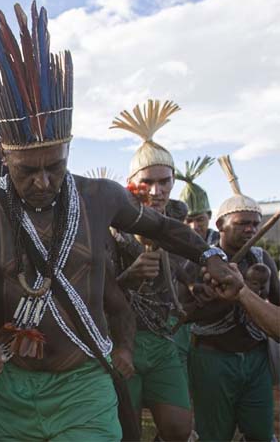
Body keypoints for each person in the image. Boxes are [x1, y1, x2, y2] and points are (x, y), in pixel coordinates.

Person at [0, 1, 239, 442]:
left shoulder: (99, 197)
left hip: (84, 382)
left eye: (54, 167)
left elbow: (161, 228)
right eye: (26, 171)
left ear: (69, 150)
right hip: (9, 386)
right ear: (5, 157)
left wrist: (208, 252)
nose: (41, 182)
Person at [110, 100, 195, 441]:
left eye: (165, 182)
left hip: (163, 339)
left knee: (178, 428)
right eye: (148, 182)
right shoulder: (111, 228)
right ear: (133, 183)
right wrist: (128, 277)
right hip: (122, 338)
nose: (157, 191)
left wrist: (202, 283)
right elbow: (95, 291)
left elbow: (188, 271)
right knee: (126, 431)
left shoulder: (177, 226)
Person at [187, 155, 279, 442]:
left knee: (261, 432)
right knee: (214, 434)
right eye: (242, 224)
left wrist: (249, 292)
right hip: (212, 358)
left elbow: (276, 303)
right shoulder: (199, 258)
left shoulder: (262, 258)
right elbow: (190, 311)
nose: (250, 230)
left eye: (255, 224)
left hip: (256, 358)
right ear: (221, 224)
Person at [176, 156, 220, 245]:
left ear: (209, 215)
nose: (194, 227)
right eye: (188, 221)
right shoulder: (174, 245)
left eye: (200, 220)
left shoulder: (223, 243)